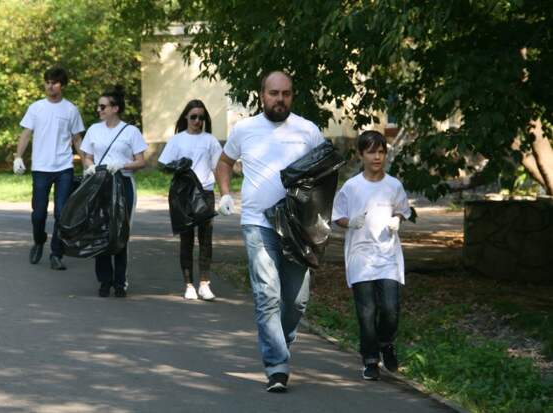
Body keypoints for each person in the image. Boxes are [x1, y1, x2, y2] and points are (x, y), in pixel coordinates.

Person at [215, 71, 325, 392]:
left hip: (297, 227)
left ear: (292, 95)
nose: (280, 99)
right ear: (262, 95)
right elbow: (224, 163)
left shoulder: (308, 131)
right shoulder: (245, 129)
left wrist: (318, 215)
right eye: (274, 93)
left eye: (286, 93)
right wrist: (224, 193)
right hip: (257, 222)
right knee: (267, 296)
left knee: (297, 301)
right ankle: (277, 366)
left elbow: (324, 172)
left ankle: (281, 341)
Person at [331, 130, 411, 381]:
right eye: (371, 152)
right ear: (361, 155)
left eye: (381, 151)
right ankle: (370, 360)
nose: (377, 157)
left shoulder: (394, 185)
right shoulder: (352, 187)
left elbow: (402, 210)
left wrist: (397, 220)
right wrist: (349, 222)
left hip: (387, 255)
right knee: (366, 312)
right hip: (360, 256)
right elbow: (336, 217)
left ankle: (386, 342)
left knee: (390, 308)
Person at [13, 67, 85, 271]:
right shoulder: (36, 108)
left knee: (62, 213)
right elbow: (26, 134)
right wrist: (18, 156)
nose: (50, 85)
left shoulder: (70, 109)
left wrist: (87, 163)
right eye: (47, 82)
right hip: (41, 167)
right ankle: (39, 240)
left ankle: (56, 254)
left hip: (64, 167)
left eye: (54, 82)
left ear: (62, 85)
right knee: (38, 213)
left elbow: (77, 139)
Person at [80, 86, 147, 298]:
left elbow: (141, 161)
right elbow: (86, 155)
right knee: (100, 230)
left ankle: (120, 281)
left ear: (115, 108)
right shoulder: (94, 129)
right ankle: (104, 280)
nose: (99, 109)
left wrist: (123, 165)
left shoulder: (131, 131)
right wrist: (89, 166)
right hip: (100, 184)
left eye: (103, 106)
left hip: (123, 183)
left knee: (120, 232)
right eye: (99, 106)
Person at [158, 99, 222, 301]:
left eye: (201, 117)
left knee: (206, 240)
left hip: (205, 192)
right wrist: (177, 166)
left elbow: (218, 167)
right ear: (186, 116)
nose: (197, 121)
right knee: (186, 240)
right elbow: (163, 164)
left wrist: (225, 194)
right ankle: (188, 284)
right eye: (193, 116)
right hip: (183, 195)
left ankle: (204, 283)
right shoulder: (177, 140)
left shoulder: (210, 140)